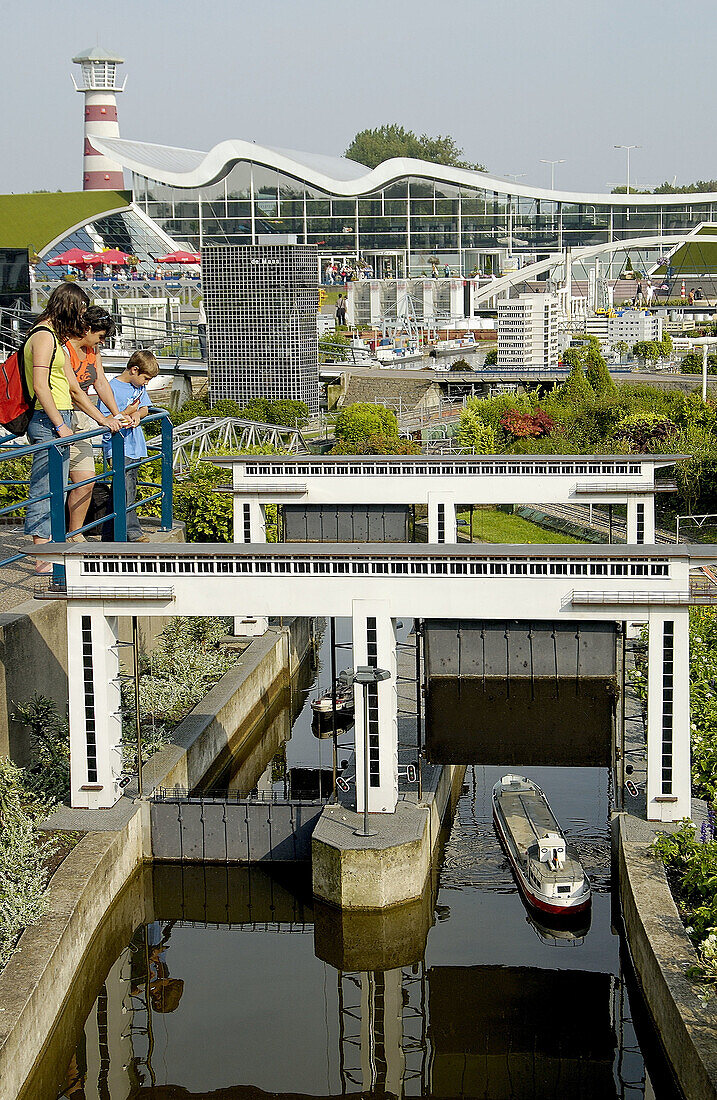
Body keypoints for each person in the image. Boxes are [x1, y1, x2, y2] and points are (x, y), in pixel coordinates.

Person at [24, 284, 89, 571]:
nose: (82, 317)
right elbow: (40, 385)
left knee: (57, 487)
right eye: (81, 309)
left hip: (56, 415)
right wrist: (60, 424)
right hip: (48, 418)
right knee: (46, 487)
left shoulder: (52, 336)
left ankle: (49, 549)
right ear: (70, 306)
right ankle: (42, 556)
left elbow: (69, 384)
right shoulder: (44, 336)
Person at [63, 307, 126, 539]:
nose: (101, 341)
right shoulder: (64, 348)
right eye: (100, 336)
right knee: (55, 483)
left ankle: (75, 531)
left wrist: (116, 414)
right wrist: (103, 419)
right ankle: (51, 535)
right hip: (61, 414)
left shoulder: (93, 350)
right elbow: (74, 392)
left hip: (80, 417)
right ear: (87, 329)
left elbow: (100, 383)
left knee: (86, 479)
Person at [98, 350, 159, 542]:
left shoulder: (138, 387)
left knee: (124, 489)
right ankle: (133, 533)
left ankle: (109, 534)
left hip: (134, 446)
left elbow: (144, 408)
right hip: (118, 446)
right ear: (134, 370)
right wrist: (127, 412)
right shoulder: (111, 388)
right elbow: (106, 419)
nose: (146, 383)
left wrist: (137, 415)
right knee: (125, 490)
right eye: (146, 378)